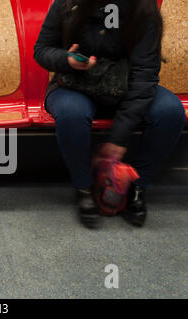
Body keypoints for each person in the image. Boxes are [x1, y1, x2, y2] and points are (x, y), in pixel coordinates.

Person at [34, 0, 185, 228]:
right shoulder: (67, 3)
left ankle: (137, 186)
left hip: (125, 87)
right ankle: (84, 186)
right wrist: (67, 60)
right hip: (76, 85)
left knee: (171, 112)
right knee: (72, 112)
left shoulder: (144, 9)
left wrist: (118, 138)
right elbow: (42, 50)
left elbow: (144, 76)